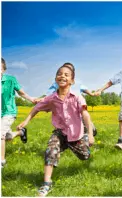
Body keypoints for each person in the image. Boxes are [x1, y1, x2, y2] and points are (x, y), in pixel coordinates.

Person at [17, 65, 95, 197]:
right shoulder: (51, 98)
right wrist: (26, 121)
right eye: (59, 74)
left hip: (77, 134)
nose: (62, 76)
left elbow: (86, 115)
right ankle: (47, 183)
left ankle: (86, 136)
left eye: (66, 74)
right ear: (55, 78)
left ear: (72, 81)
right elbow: (37, 108)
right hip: (60, 132)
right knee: (50, 149)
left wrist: (91, 135)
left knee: (85, 156)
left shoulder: (78, 97)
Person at [34, 62, 98, 137]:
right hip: (65, 106)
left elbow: (84, 89)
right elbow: (49, 94)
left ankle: (90, 128)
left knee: (84, 118)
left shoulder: (77, 83)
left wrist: (92, 94)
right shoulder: (57, 83)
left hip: (77, 105)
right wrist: (41, 99)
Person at [1, 57, 35, 168]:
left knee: (0, 134)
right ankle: (21, 133)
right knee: (7, 137)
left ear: (3, 69)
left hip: (9, 112)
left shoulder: (11, 80)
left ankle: (1, 162)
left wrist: (32, 99)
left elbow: (21, 93)